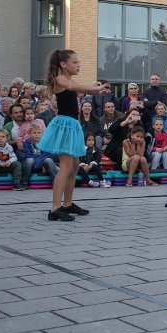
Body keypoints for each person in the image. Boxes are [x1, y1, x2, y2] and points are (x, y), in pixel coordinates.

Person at [38, 50, 110, 222]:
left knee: (75, 164)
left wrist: (97, 92)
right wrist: (94, 88)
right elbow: (72, 88)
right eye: (75, 62)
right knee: (65, 166)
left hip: (72, 125)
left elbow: (80, 88)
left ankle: (68, 204)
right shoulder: (60, 79)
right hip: (64, 125)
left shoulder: (69, 79)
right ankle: (55, 208)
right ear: (63, 64)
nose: (79, 65)